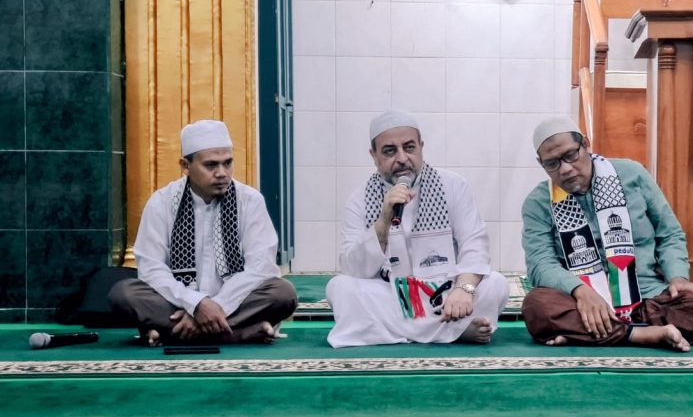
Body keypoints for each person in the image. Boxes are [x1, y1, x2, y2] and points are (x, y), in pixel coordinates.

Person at [521, 116, 693, 352]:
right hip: (581, 302)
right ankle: (642, 335)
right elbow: (540, 264)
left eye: (570, 155)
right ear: (541, 163)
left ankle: (586, 333)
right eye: (552, 163)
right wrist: (581, 291)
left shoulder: (632, 174)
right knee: (537, 307)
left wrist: (678, 278)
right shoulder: (538, 203)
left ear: (585, 144)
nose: (565, 168)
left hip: (647, 295)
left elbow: (668, 234)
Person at [326, 110, 508, 347]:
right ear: (373, 155)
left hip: (445, 291)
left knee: (496, 284)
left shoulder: (452, 185)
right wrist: (383, 221)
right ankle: (453, 330)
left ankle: (402, 332)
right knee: (339, 288)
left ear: (421, 146)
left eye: (409, 147)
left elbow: (474, 244)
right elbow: (354, 270)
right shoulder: (358, 200)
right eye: (390, 151)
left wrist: (464, 289)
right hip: (390, 292)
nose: (402, 158)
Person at [109, 120, 297, 345]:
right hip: (176, 303)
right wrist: (196, 304)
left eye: (227, 163)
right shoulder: (162, 202)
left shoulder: (249, 201)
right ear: (185, 166)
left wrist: (217, 306)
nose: (222, 173)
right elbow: (151, 270)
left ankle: (173, 333)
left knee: (282, 293)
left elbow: (260, 268)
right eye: (211, 165)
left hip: (234, 303)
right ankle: (239, 334)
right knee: (123, 294)